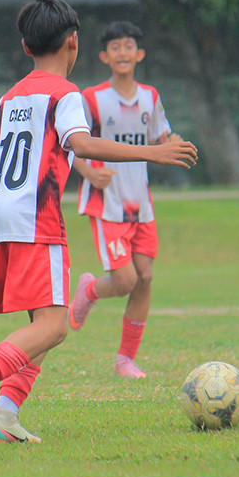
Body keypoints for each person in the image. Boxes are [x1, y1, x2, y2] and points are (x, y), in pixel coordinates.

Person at [0, 0, 197, 445]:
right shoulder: (65, 93)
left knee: (44, 323)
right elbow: (82, 143)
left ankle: (5, 413)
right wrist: (153, 152)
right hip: (37, 220)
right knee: (55, 325)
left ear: (25, 47)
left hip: (3, 218)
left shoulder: (11, 95)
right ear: (73, 42)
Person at [68, 21, 183, 380]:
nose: (122, 52)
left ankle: (125, 360)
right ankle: (89, 289)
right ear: (104, 56)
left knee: (145, 277)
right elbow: (70, 144)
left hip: (140, 204)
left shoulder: (150, 97)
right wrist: (89, 173)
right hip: (108, 203)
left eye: (128, 46)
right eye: (115, 47)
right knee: (124, 281)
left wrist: (175, 144)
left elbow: (162, 138)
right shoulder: (92, 99)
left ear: (139, 54)